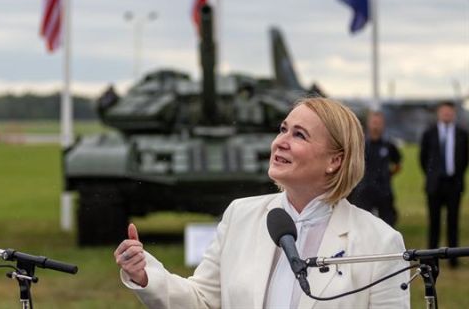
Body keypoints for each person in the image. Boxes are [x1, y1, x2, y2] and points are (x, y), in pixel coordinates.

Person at [115, 97, 409, 308]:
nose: (280, 141)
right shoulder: (240, 215)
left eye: (299, 135)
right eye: (283, 129)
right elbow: (202, 300)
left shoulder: (381, 243)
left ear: (335, 160)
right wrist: (145, 276)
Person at [419, 100, 468, 269]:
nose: (447, 114)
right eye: (444, 112)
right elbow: (423, 159)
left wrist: (457, 175)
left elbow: (464, 158)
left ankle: (453, 259)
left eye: (450, 112)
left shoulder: (462, 134)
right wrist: (433, 175)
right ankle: (432, 259)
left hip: (454, 184)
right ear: (439, 113)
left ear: (453, 114)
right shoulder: (429, 133)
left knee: (453, 222)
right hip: (435, 184)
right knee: (434, 222)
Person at [349, 111, 402, 226]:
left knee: (387, 224)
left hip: (384, 191)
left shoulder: (389, 145)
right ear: (369, 124)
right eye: (374, 122)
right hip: (364, 190)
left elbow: (398, 164)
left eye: (379, 123)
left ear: (383, 125)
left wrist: (388, 175)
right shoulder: (360, 145)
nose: (376, 126)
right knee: (361, 224)